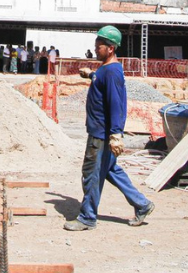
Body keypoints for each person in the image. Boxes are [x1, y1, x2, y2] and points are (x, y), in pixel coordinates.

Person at [64, 26, 153, 231]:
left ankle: (87, 217)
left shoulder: (112, 72)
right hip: (100, 131)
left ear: (110, 48)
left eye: (99, 46)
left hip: (101, 133)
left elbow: (115, 103)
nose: (95, 49)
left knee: (92, 173)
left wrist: (115, 133)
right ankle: (142, 204)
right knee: (110, 170)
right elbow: (102, 82)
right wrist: (92, 75)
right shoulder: (105, 70)